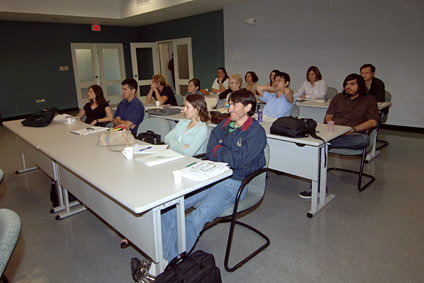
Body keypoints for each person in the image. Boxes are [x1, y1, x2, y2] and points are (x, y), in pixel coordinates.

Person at [161, 89, 267, 261]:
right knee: (169, 206)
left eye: (234, 105)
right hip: (211, 175)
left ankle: (169, 264)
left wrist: (220, 148)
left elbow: (237, 162)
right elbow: (210, 151)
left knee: (195, 219)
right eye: (229, 104)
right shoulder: (225, 124)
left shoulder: (255, 132)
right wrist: (223, 151)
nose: (229, 108)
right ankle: (163, 256)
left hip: (234, 182)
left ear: (248, 107)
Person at [298, 73, 380, 199]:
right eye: (346, 84)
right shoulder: (338, 98)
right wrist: (331, 125)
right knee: (319, 140)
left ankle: (325, 143)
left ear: (360, 85)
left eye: (352, 84)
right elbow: (328, 116)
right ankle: (318, 187)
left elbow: (373, 122)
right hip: (334, 133)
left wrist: (353, 129)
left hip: (355, 135)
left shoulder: (369, 100)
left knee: (364, 139)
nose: (348, 86)